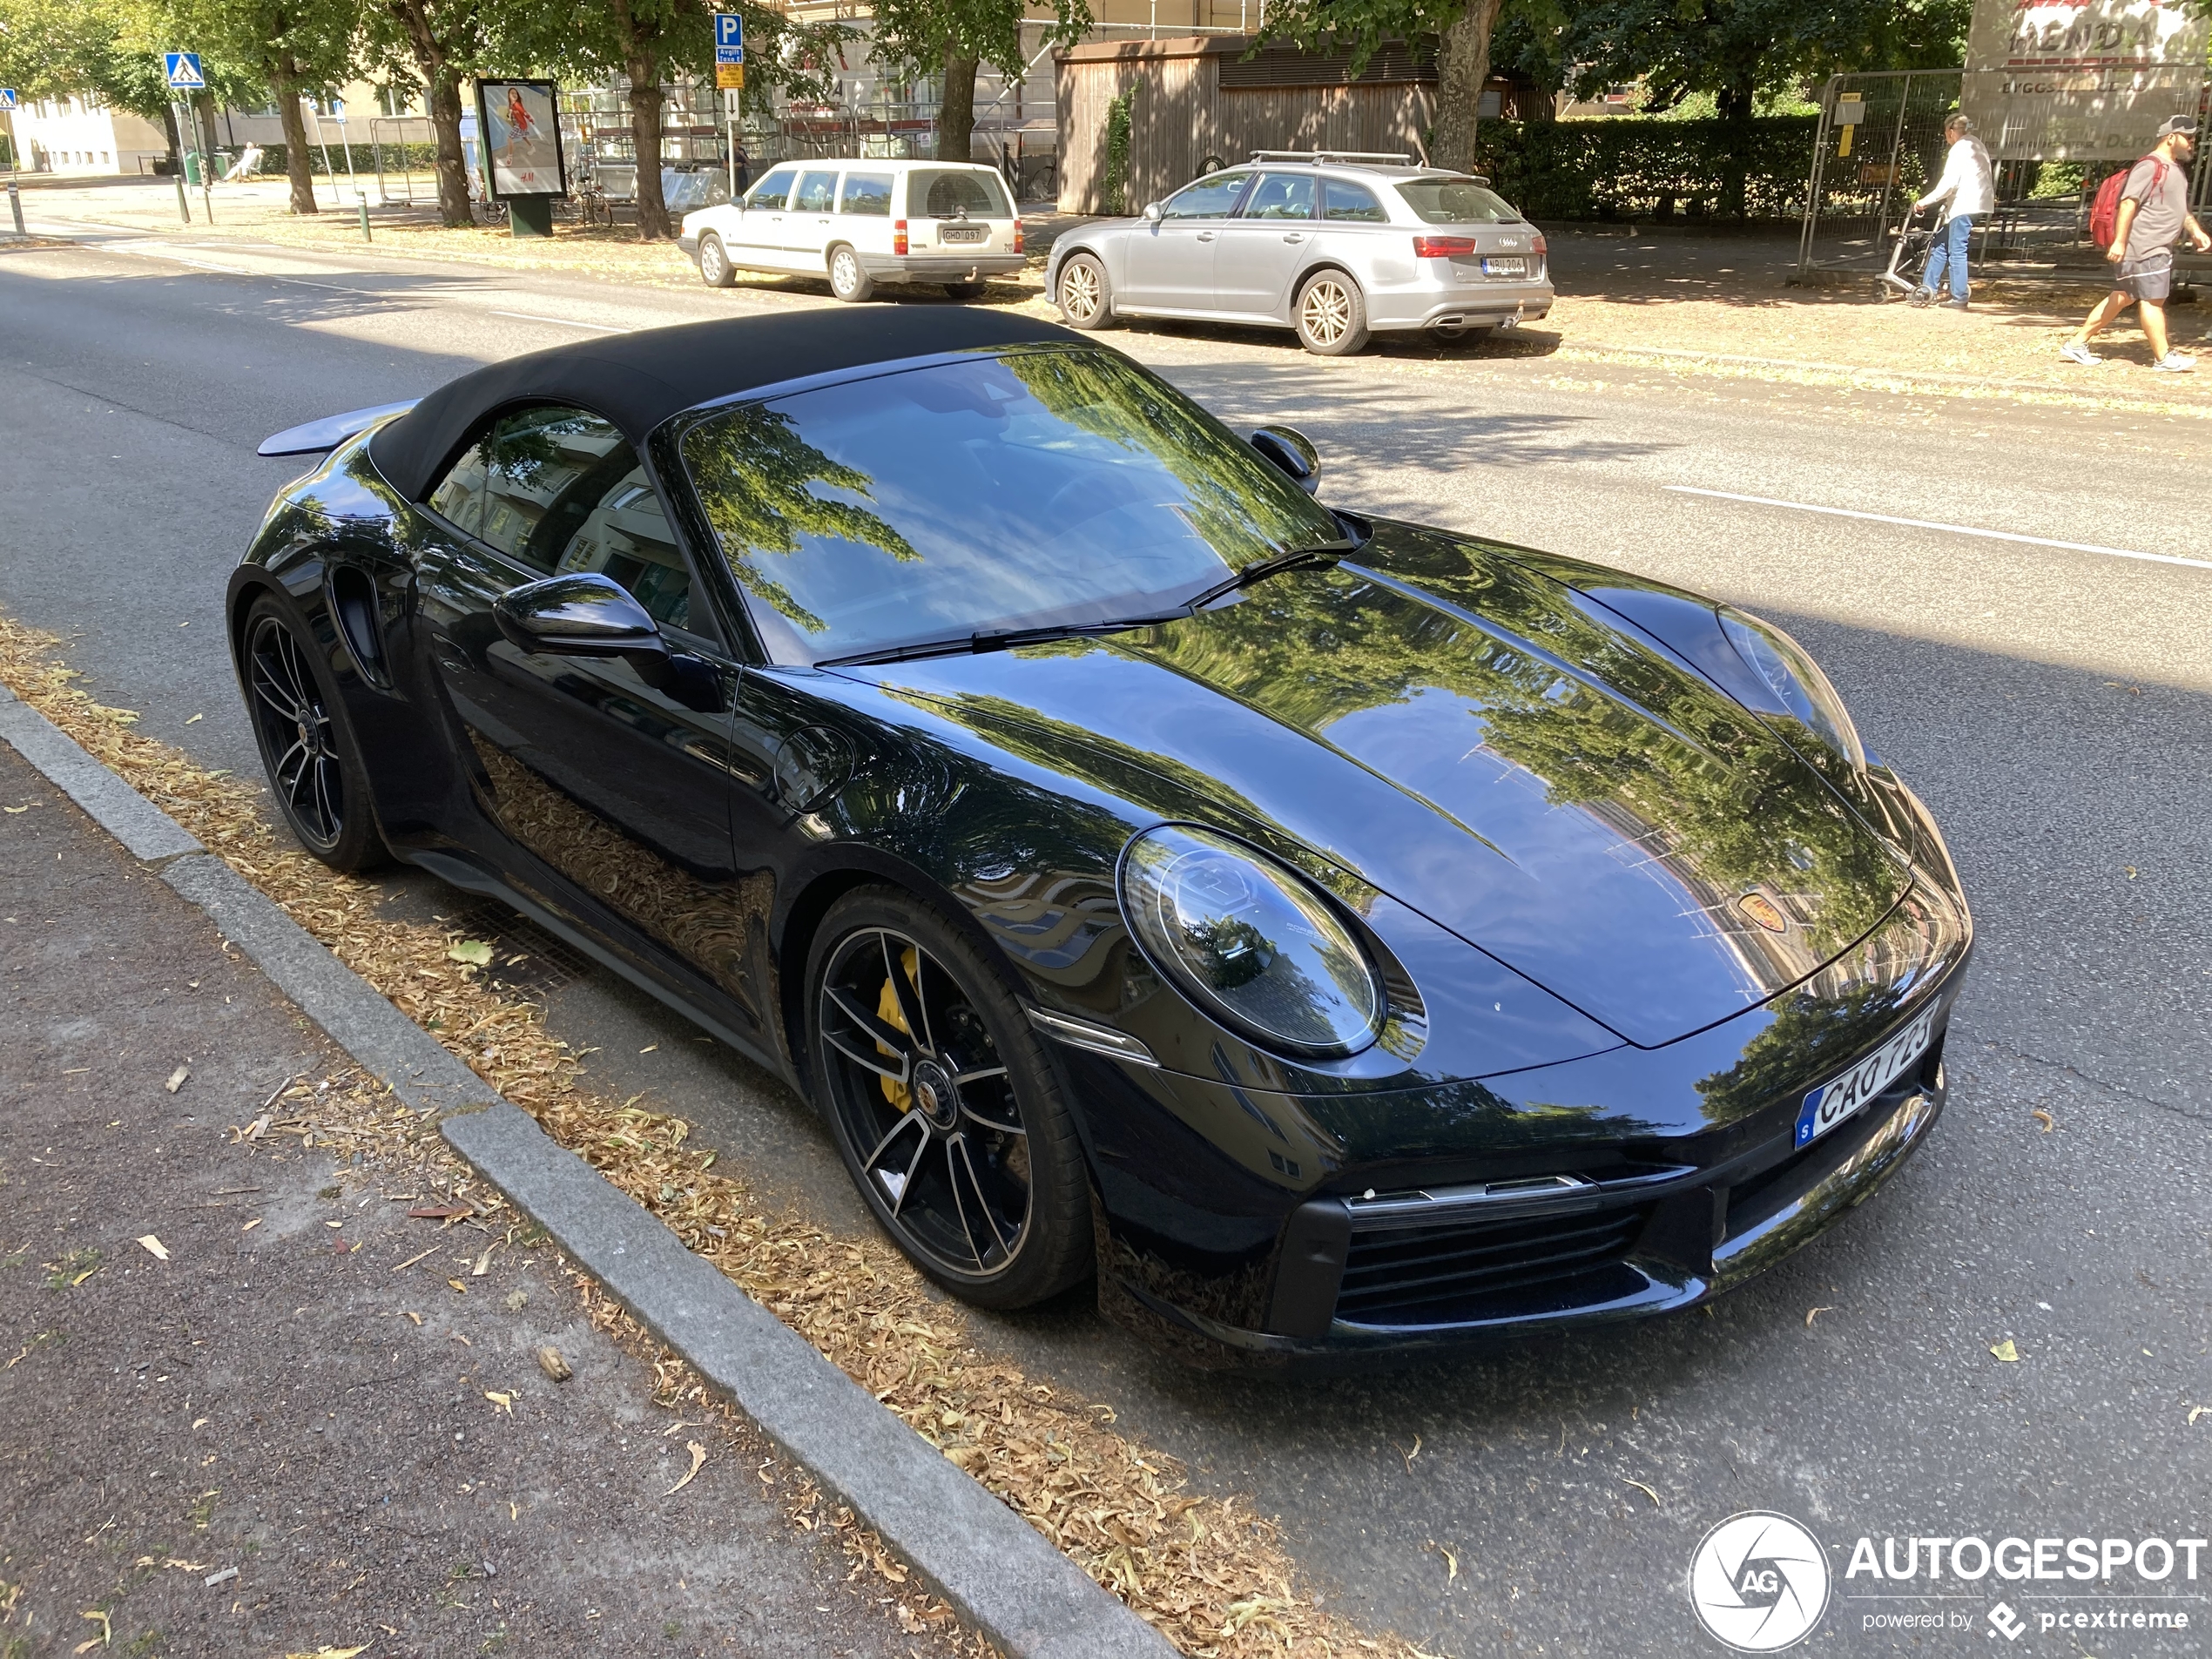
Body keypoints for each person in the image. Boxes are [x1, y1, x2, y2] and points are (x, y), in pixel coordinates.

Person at [2062, 115, 2211, 371]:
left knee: (2123, 296)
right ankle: (2163, 358)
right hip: (2146, 246)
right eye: (2188, 137)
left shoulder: (2174, 169)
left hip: (2152, 246)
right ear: (2171, 137)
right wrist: (2119, 242)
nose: (2191, 143)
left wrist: (2196, 231)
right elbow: (2128, 203)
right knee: (2153, 300)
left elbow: (2179, 209)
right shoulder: (2149, 166)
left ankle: (2076, 344)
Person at [1911, 114, 1995, 308]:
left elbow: (1949, 183)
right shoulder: (1976, 144)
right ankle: (1927, 290)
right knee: (1940, 244)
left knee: (1957, 250)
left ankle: (1959, 297)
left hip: (1963, 204)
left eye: (1945, 135)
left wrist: (1924, 201)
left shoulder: (1959, 149)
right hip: (1977, 202)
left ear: (1950, 132)